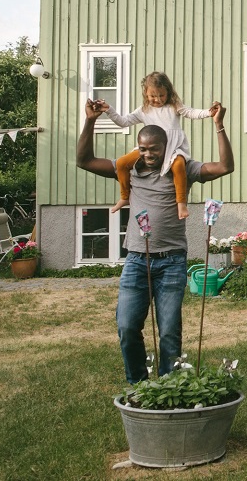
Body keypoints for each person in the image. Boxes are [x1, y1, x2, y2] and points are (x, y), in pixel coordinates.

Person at [76, 99, 233, 384]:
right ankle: (140, 385)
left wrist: (218, 126)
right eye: (143, 149)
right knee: (126, 326)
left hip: (172, 262)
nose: (148, 155)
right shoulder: (130, 170)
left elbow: (224, 166)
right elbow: (84, 161)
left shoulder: (181, 168)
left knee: (169, 331)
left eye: (154, 149)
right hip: (136, 260)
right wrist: (90, 120)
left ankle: (170, 386)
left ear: (166, 147)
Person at [98, 71, 220, 220]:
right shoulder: (143, 111)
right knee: (122, 163)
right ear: (146, 94)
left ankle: (181, 203)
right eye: (153, 96)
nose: (157, 99)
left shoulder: (174, 106)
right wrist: (109, 110)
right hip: (150, 150)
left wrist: (209, 112)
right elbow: (123, 122)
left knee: (179, 166)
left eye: (161, 95)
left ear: (168, 92)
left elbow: (192, 112)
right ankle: (125, 196)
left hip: (173, 148)